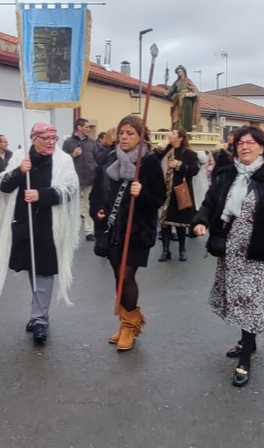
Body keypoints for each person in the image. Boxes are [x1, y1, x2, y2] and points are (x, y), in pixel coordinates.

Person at [192, 126, 264, 387]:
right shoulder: (226, 174)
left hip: (259, 252)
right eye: (240, 143)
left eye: (251, 142)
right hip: (230, 251)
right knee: (239, 301)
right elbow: (209, 202)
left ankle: (245, 360)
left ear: (262, 147)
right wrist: (201, 220)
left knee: (250, 303)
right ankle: (246, 341)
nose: (245, 147)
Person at [0, 123, 80, 345]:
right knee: (33, 268)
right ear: (34, 139)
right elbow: (3, 186)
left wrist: (41, 195)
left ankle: (40, 319)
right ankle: (38, 310)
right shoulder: (20, 158)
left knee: (44, 270)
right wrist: (19, 171)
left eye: (54, 137)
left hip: (49, 225)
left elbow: (71, 189)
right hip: (23, 222)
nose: (52, 142)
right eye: (47, 138)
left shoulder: (63, 160)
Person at [90, 115, 167, 351]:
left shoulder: (149, 162)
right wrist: (98, 211)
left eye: (130, 133)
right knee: (117, 277)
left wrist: (141, 193)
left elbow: (159, 198)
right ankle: (126, 322)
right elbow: (98, 190)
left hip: (137, 230)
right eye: (121, 132)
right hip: (113, 228)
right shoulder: (110, 157)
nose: (124, 137)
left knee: (125, 276)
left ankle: (130, 327)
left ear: (141, 137)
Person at [156, 129, 200, 262]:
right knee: (165, 223)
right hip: (164, 192)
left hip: (179, 192)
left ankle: (182, 249)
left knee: (180, 223)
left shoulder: (189, 154)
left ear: (180, 138)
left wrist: (179, 165)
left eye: (173, 134)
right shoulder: (166, 151)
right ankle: (165, 250)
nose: (170, 135)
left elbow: (194, 170)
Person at [62, 118, 98, 241]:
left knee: (88, 205)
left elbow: (96, 157)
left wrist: (95, 170)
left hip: (89, 177)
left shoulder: (92, 142)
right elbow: (62, 160)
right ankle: (73, 232)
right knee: (73, 206)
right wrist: (73, 155)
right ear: (79, 127)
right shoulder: (68, 142)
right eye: (86, 127)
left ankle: (89, 231)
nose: (88, 129)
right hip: (74, 178)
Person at [166, 65, 200, 131]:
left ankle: (187, 131)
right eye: (178, 72)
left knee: (187, 117)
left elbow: (195, 91)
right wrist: (169, 95)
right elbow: (170, 92)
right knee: (178, 117)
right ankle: (178, 130)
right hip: (178, 102)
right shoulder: (176, 83)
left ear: (184, 72)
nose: (179, 73)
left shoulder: (188, 81)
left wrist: (190, 94)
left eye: (181, 72)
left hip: (187, 102)